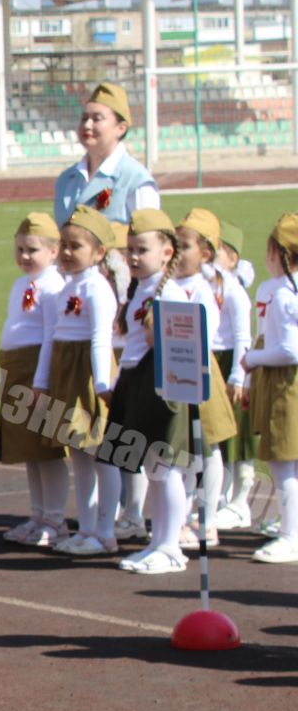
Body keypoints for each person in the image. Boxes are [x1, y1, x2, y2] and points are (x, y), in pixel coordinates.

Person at [109, 209, 237, 574]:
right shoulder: (141, 289)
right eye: (130, 249)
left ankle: (170, 546)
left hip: (161, 384)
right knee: (152, 469)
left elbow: (188, 342)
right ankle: (158, 540)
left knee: (164, 469)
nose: (133, 257)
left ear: (167, 253)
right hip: (136, 379)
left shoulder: (173, 292)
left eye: (142, 249)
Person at [33, 206, 122, 557]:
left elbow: (101, 340)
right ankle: (85, 528)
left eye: (76, 246)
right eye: (64, 245)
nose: (67, 252)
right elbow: (50, 338)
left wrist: (102, 385)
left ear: (99, 253)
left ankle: (106, 532)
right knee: (80, 455)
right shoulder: (63, 289)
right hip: (66, 373)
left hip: (89, 374)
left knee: (103, 456)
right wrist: (41, 381)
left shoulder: (97, 289)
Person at [0, 213, 71, 547]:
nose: (25, 256)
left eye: (33, 250)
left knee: (47, 451)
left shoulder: (54, 286)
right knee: (29, 450)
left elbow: (51, 336)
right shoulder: (20, 284)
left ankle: (55, 519)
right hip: (16, 369)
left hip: (38, 371)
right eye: (20, 248)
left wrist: (41, 381)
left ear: (54, 252)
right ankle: (37, 514)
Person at [53, 80, 158, 294]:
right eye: (84, 119)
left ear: (121, 128)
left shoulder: (136, 179)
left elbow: (150, 240)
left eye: (97, 119)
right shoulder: (67, 179)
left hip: (118, 290)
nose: (87, 125)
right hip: (70, 288)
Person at [179, 207, 242, 544]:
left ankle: (208, 517)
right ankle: (183, 515)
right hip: (176, 373)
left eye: (184, 245)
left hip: (201, 372)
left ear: (205, 252)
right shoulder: (170, 282)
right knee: (182, 448)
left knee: (208, 446)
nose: (177, 251)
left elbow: (208, 328)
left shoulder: (209, 286)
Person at [246, 215, 298, 563]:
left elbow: (290, 350)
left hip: (286, 385)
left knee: (283, 464)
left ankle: (290, 536)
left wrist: (253, 357)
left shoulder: (282, 294)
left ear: (277, 254)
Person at [212, 221, 260, 528]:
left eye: (214, 252)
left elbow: (243, 336)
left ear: (231, 258)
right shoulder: (208, 288)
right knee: (218, 435)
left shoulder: (235, 292)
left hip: (234, 363)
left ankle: (241, 502)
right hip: (214, 361)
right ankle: (221, 498)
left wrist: (238, 377)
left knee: (239, 437)